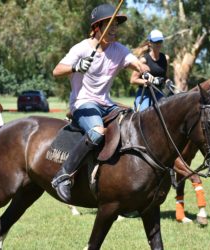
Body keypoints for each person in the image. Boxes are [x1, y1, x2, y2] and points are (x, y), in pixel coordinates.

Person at [51, 3, 151, 202]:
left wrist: (145, 71)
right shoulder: (81, 48)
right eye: (110, 24)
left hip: (106, 103)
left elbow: (136, 62)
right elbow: (57, 71)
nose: (114, 29)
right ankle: (63, 175)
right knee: (97, 133)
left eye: (116, 25)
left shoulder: (118, 49)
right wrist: (76, 66)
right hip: (83, 104)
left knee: (133, 125)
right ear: (97, 27)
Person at [130, 29, 173, 111]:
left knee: (168, 111)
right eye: (156, 42)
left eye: (160, 41)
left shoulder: (166, 58)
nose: (158, 44)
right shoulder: (143, 60)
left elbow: (166, 77)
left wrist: (168, 82)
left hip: (158, 92)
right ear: (150, 43)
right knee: (145, 114)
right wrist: (149, 82)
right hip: (144, 93)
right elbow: (133, 80)